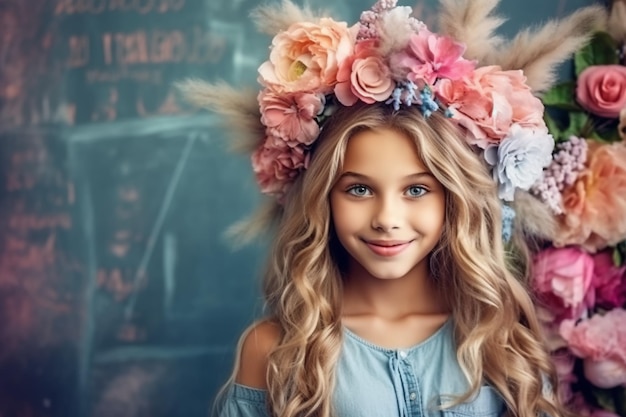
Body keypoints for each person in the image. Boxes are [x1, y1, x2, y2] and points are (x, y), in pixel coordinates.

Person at [180, 1, 606, 416]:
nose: (386, 219)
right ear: (323, 199)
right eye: (359, 190)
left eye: (417, 190)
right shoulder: (274, 349)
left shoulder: (500, 342)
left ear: (452, 201)